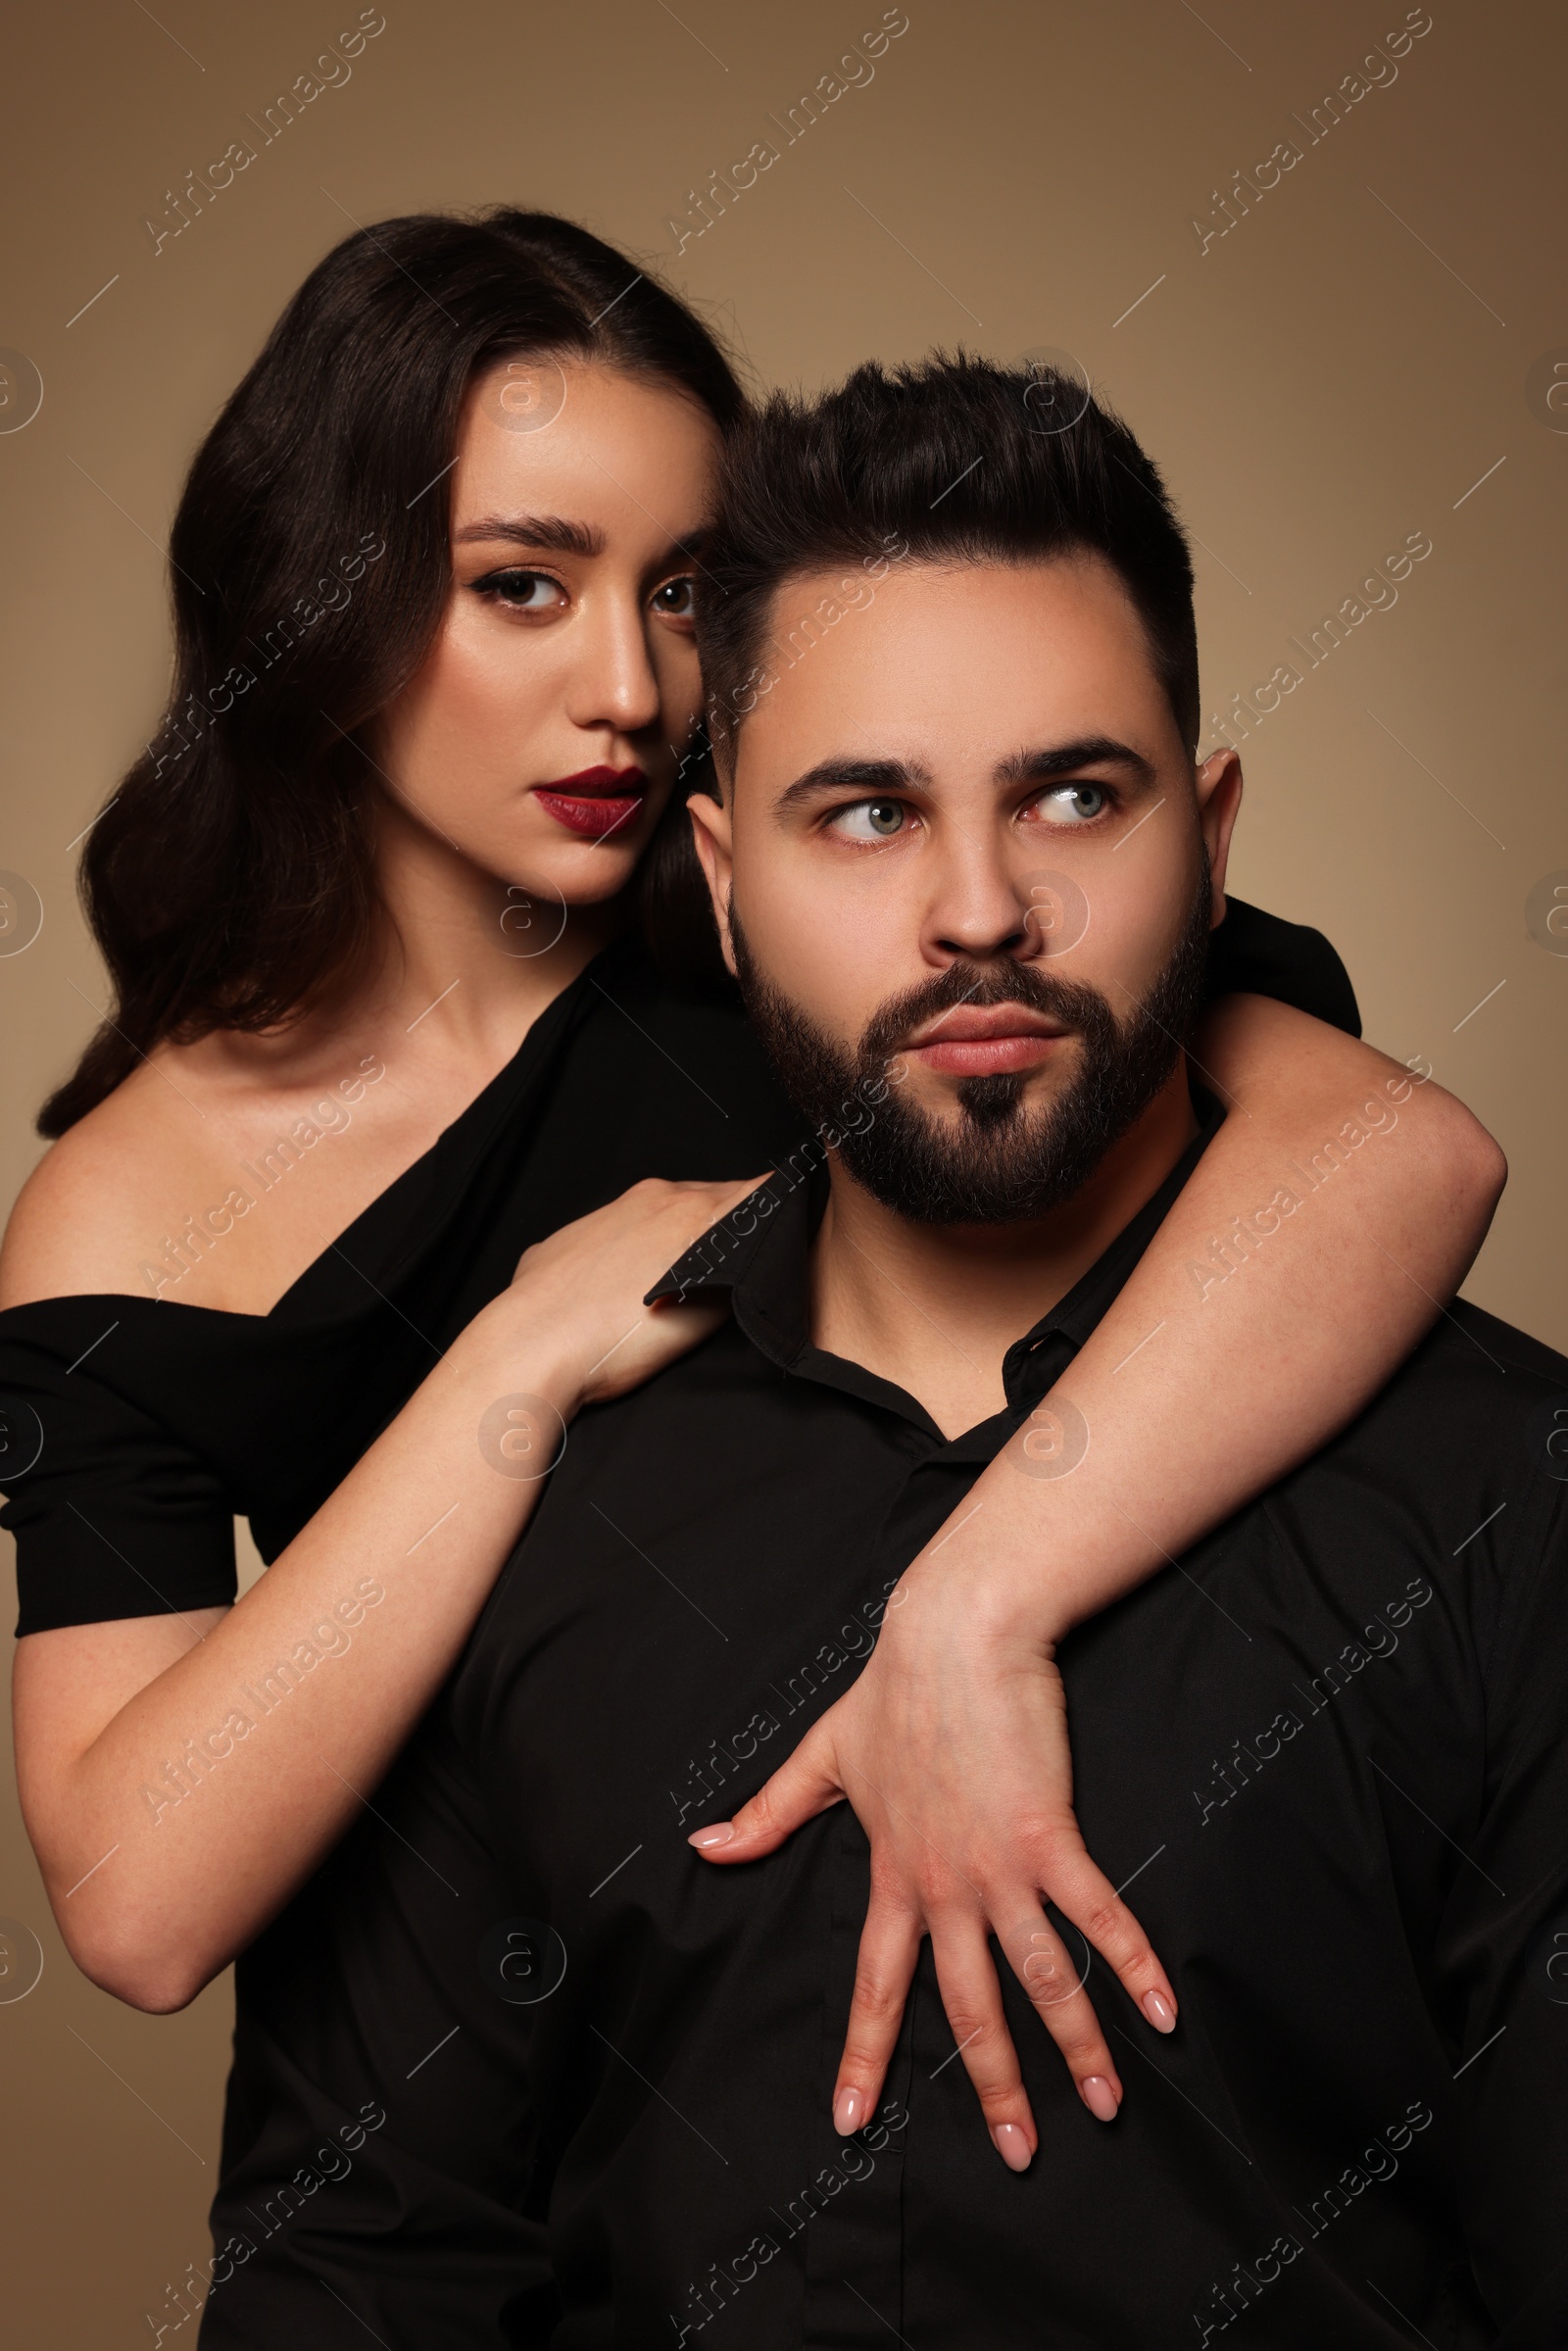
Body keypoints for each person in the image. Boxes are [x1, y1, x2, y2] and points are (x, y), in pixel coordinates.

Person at [0, 213, 1494, 2221]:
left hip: (1070, 1927)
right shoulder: (124, 1200)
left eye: (688, 590)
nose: (629, 684)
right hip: (490, 2093)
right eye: (519, 587)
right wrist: (516, 1359)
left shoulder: (817, 932)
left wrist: (972, 1610)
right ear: (320, 599)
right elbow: (137, 1895)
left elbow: (1402, 1157)